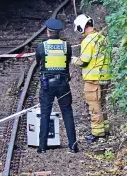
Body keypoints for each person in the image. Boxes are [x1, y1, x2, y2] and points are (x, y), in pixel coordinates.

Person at [35, 18, 79, 153]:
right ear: (59, 32)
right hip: (63, 84)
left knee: (45, 114)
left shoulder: (42, 46)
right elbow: (67, 62)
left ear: (48, 32)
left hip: (47, 85)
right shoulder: (67, 46)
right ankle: (73, 146)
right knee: (67, 112)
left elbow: (38, 62)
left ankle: (42, 147)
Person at [72, 14, 111, 143]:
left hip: (93, 80)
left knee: (94, 107)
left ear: (80, 27)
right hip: (105, 77)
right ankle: (105, 129)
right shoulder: (103, 38)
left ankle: (97, 133)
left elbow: (84, 61)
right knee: (102, 105)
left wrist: (73, 60)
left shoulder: (88, 40)